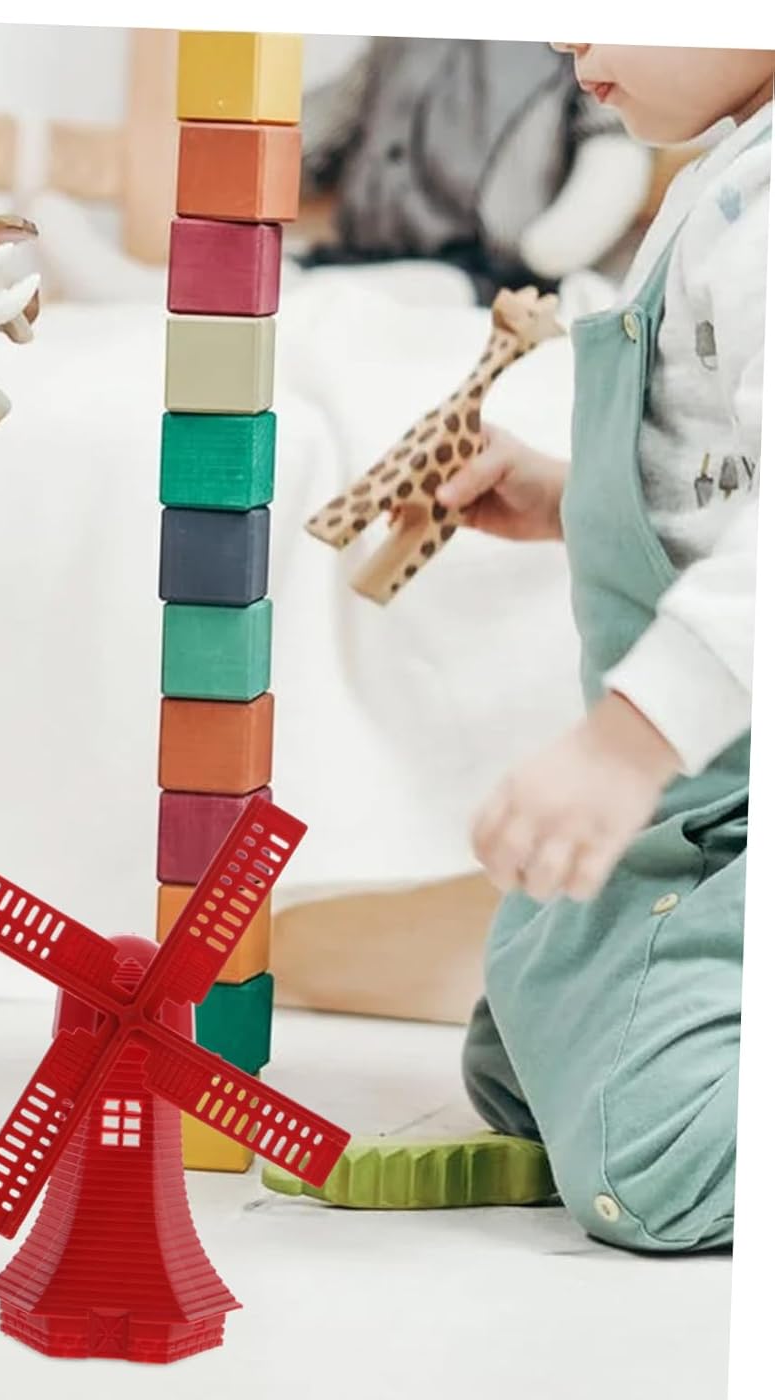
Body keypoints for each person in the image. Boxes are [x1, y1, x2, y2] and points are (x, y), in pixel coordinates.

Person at [435, 43, 771, 1251]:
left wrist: (627, 743)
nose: (567, 35)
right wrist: (575, 498)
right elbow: (721, 481)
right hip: (696, 798)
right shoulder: (724, 175)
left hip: (736, 791)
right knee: (516, 1061)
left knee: (651, 1159)